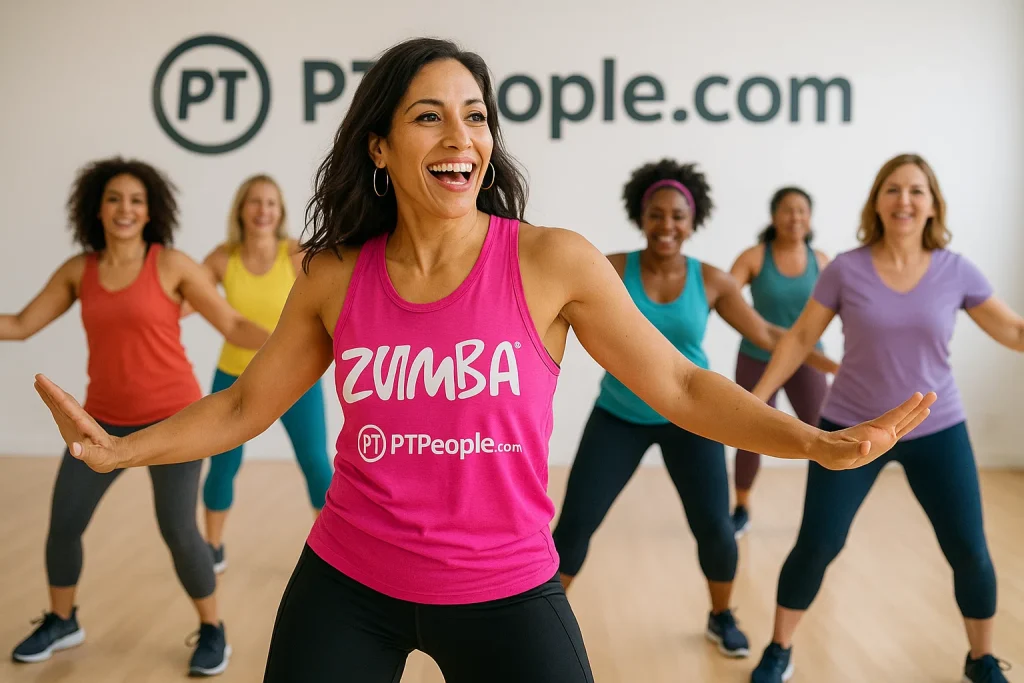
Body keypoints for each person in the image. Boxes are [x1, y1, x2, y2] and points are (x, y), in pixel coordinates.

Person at [31, 40, 934, 683]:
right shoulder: (335, 275)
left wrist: (808, 442)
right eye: (429, 116)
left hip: (505, 586)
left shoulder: (550, 261)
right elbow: (240, 408)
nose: (461, 134)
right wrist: (120, 447)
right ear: (380, 148)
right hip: (349, 578)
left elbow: (682, 382)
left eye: (475, 116)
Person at [550, 160, 839, 660]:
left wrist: (832, 362)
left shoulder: (712, 281)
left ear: (693, 220)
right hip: (618, 415)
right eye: (657, 215)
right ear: (641, 217)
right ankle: (547, 626)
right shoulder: (612, 268)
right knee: (574, 526)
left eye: (678, 216)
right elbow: (555, 307)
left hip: (692, 419)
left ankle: (720, 615)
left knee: (716, 529)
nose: (667, 226)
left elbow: (767, 335)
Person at [747, 154, 1016, 683]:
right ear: (877, 201)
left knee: (968, 548)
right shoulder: (846, 268)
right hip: (850, 427)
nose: (905, 200)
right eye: (893, 190)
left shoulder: (956, 270)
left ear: (934, 203)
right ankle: (779, 649)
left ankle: (981, 659)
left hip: (937, 427)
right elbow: (801, 337)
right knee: (819, 543)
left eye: (917, 190)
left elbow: (1013, 332)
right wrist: (757, 399)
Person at [5, 157, 269, 675]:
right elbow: (18, 323)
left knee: (178, 530)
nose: (125, 209)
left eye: (136, 200)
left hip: (174, 421)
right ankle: (63, 620)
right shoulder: (79, 271)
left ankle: (213, 629)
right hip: (100, 422)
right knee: (63, 523)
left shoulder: (170, 264)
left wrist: (309, 341)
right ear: (96, 209)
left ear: (151, 211)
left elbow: (234, 324)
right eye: (114, 199)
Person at [189, 174, 333, 574]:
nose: (263, 210)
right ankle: (212, 547)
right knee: (222, 464)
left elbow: (332, 297)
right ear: (241, 209)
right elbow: (188, 298)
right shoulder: (222, 258)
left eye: (271, 203)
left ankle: (334, 553)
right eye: (255, 202)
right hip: (235, 375)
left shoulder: (298, 253)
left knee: (315, 463)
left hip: (296, 378)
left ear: (281, 212)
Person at [728, 187, 830, 538]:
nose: (795, 217)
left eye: (802, 210)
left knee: (823, 434)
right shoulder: (755, 257)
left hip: (808, 360)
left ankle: (822, 511)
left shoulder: (821, 261)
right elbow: (727, 297)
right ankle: (741, 506)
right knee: (750, 433)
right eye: (787, 210)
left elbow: (844, 305)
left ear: (810, 217)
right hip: (757, 358)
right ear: (774, 216)